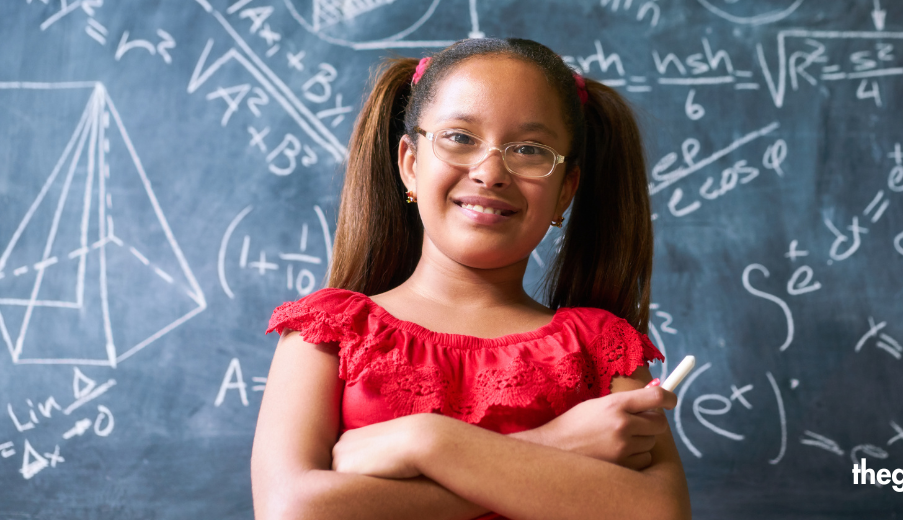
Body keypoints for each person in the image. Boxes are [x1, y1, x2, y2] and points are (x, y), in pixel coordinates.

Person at [251, 38, 691, 520]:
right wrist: (556, 444)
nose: (491, 172)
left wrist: (426, 443)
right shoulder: (328, 334)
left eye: (529, 149)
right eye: (460, 137)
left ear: (565, 191)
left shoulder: (602, 349)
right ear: (411, 164)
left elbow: (658, 511)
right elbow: (291, 509)